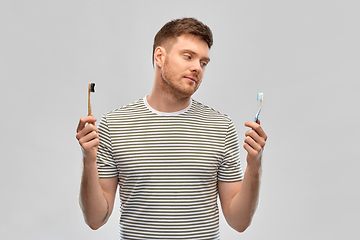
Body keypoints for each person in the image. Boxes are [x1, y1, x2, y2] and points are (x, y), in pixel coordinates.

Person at [76, 17, 267, 239]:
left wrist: (255, 165)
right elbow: (95, 219)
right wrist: (88, 160)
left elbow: (239, 222)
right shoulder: (114, 125)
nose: (197, 68)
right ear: (160, 56)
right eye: (188, 56)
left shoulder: (220, 127)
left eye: (203, 63)